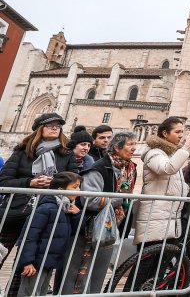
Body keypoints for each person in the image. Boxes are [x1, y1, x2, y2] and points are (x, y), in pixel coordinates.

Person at [64, 131, 136, 295]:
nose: (134, 148)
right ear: (117, 148)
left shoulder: (129, 169)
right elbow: (91, 200)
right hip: (90, 228)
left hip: (111, 228)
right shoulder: (98, 169)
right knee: (77, 274)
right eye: (130, 144)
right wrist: (120, 199)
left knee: (98, 274)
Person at [0, 112, 73, 254]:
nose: (55, 128)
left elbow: (74, 183)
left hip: (48, 213)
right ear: (40, 129)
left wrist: (54, 182)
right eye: (50, 125)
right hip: (17, 210)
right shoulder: (22, 152)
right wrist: (30, 182)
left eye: (58, 126)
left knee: (29, 261)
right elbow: (4, 181)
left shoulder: (66, 154)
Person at [136, 116, 190, 245]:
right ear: (165, 133)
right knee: (149, 261)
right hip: (155, 217)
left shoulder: (171, 154)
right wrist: (186, 146)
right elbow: (167, 169)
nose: (181, 136)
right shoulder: (155, 152)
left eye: (182, 132)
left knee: (162, 260)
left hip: (167, 217)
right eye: (177, 132)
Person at [17, 171, 82, 297]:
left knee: (41, 292)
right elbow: (30, 236)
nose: (79, 190)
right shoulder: (46, 208)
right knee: (30, 292)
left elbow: (75, 230)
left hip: (49, 261)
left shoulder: (65, 208)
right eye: (74, 187)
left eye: (79, 186)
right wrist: (28, 262)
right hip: (36, 262)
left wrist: (77, 215)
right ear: (60, 189)